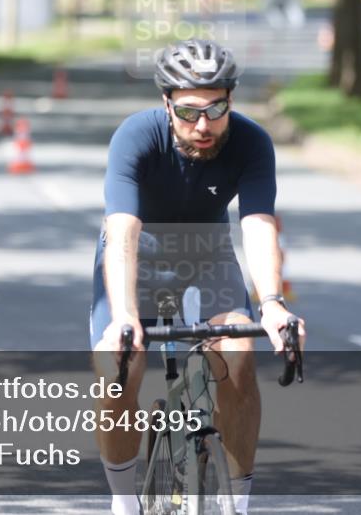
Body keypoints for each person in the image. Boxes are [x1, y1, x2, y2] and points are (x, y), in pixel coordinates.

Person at [90, 39, 306, 515]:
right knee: (117, 368)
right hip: (138, 258)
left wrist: (271, 302)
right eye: (188, 112)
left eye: (216, 109)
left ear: (232, 99)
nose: (203, 126)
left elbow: (257, 224)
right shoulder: (136, 136)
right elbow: (121, 229)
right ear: (166, 104)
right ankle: (124, 504)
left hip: (206, 258)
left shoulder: (251, 142)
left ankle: (237, 505)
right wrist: (124, 316)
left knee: (239, 355)